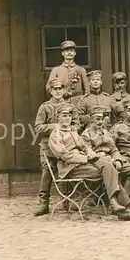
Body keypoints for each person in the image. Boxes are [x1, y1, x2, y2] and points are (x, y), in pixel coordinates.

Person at [48, 102, 130, 218]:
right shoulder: (55, 136)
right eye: (64, 115)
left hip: (85, 163)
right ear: (57, 117)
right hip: (70, 167)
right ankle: (117, 204)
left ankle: (116, 204)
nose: (67, 118)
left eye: (69, 115)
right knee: (108, 170)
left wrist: (91, 154)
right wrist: (86, 158)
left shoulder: (73, 133)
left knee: (108, 165)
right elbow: (64, 155)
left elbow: (84, 147)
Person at [81, 106, 130, 220]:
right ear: (91, 119)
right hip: (96, 162)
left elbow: (114, 149)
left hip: (111, 159)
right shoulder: (86, 134)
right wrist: (99, 156)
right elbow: (87, 151)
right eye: (97, 119)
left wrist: (118, 159)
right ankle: (119, 207)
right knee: (110, 168)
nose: (100, 122)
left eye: (102, 119)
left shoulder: (106, 133)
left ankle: (119, 204)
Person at [33, 79, 81, 216]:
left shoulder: (70, 106)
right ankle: (44, 203)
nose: (58, 91)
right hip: (48, 145)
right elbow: (38, 127)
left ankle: (68, 200)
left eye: (60, 88)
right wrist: (55, 127)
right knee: (47, 171)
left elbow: (77, 125)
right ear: (50, 90)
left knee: (68, 168)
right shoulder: (45, 107)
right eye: (55, 89)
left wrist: (68, 129)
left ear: (64, 90)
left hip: (66, 144)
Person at [45, 40, 90, 108]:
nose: (69, 53)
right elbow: (48, 87)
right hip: (61, 102)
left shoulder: (81, 70)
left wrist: (82, 101)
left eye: (71, 51)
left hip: (78, 102)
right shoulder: (56, 70)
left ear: (75, 53)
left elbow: (87, 89)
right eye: (66, 51)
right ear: (62, 53)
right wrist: (58, 96)